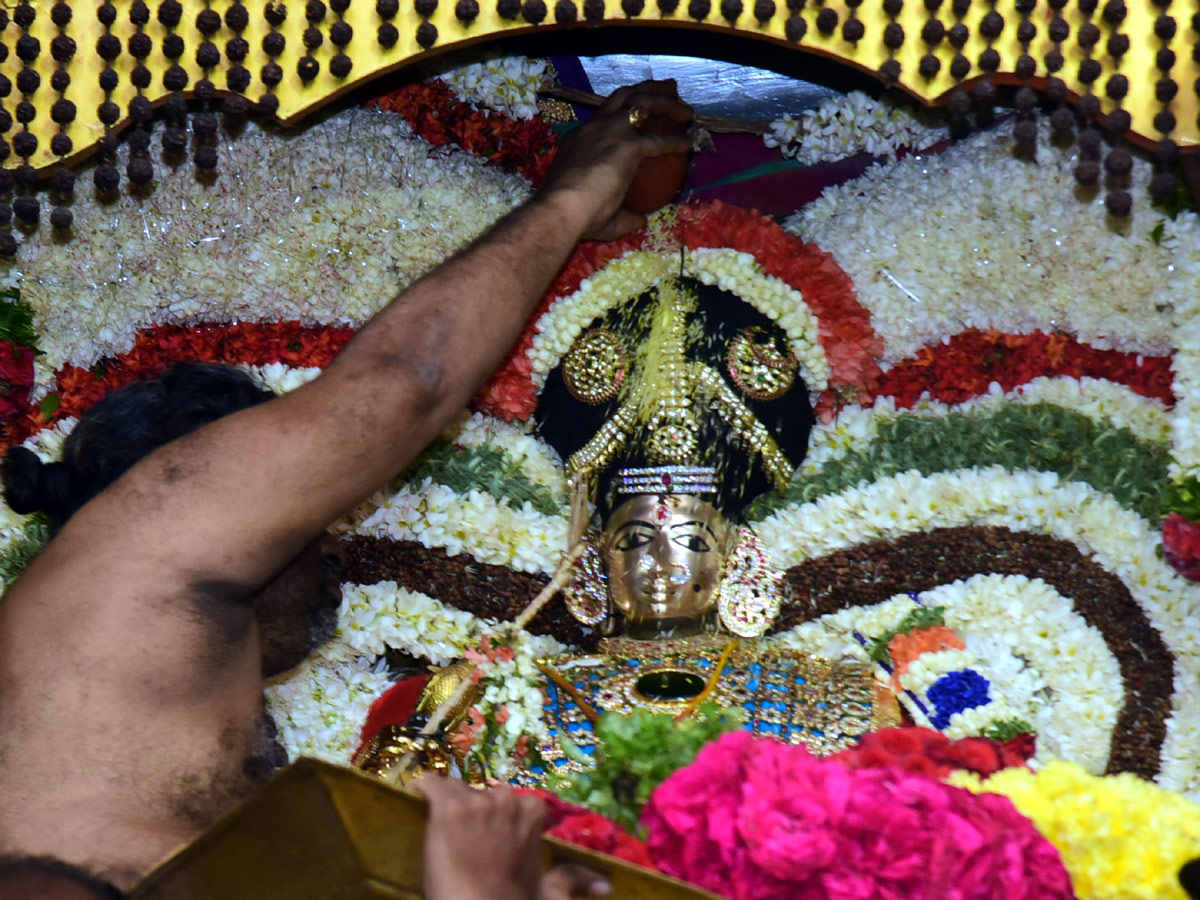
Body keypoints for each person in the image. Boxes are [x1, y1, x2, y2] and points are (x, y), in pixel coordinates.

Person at [0, 80, 693, 898]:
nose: (332, 547)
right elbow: (406, 382)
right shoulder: (139, 544)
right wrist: (578, 194)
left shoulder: (156, 694)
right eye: (318, 506)